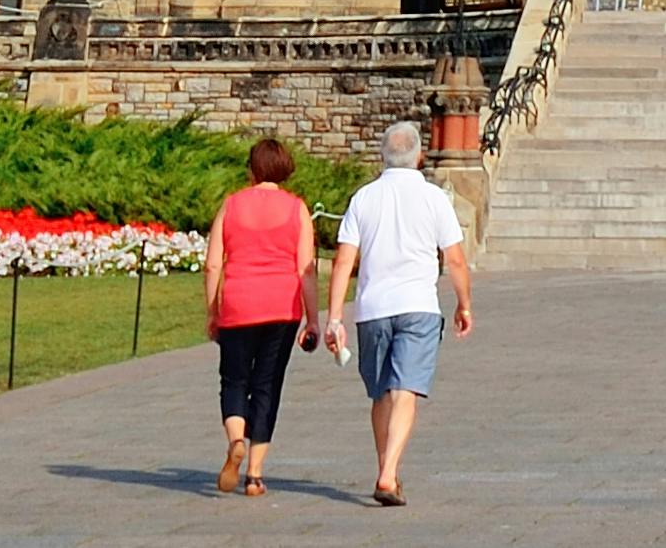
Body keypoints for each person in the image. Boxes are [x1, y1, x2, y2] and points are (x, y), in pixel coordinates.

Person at [324, 108, 473, 508]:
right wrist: (464, 304)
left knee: (381, 393)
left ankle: (385, 469)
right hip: (419, 305)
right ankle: (388, 472)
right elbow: (455, 259)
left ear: (382, 156)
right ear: (420, 156)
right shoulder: (434, 198)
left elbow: (344, 260)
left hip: (373, 307)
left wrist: (335, 316)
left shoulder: (364, 197)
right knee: (406, 388)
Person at [200, 128, 320, 502]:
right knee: (267, 385)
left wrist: (212, 310)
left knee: (234, 380)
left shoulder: (231, 205)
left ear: (252, 169)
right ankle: (254, 474)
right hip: (282, 307)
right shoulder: (297, 208)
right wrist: (313, 319)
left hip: (239, 304)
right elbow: (307, 269)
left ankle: (236, 439)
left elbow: (212, 264)